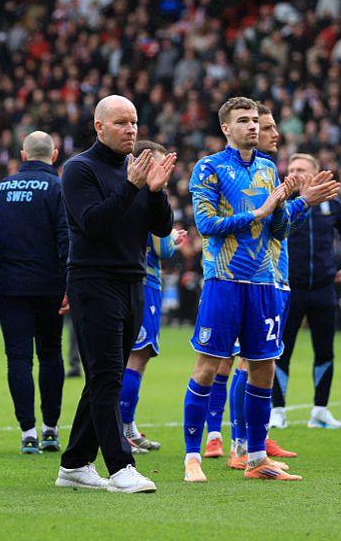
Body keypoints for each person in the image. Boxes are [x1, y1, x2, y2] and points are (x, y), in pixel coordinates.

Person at [181, 98, 338, 483]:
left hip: (266, 282)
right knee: (208, 365)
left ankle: (255, 458)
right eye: (243, 121)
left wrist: (296, 203)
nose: (253, 126)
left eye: (256, 120)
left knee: (264, 369)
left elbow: (279, 229)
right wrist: (259, 212)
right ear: (225, 128)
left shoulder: (269, 169)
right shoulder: (209, 168)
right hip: (226, 280)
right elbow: (206, 225)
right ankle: (192, 457)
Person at [55, 95, 174, 494]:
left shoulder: (135, 170)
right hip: (93, 282)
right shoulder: (78, 170)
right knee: (107, 377)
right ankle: (121, 466)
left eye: (134, 122)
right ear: (99, 127)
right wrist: (131, 186)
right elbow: (93, 224)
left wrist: (155, 192)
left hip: (132, 281)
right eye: (121, 123)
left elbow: (160, 228)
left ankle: (73, 463)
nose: (131, 130)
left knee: (106, 377)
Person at [0, 131, 69, 454]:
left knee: (18, 358)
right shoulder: (58, 187)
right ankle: (51, 428)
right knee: (51, 354)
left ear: (23, 155)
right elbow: (66, 237)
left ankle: (28, 432)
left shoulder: (1, 188)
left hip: (10, 284)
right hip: (49, 284)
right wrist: (68, 283)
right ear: (54, 155)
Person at [270, 153, 341, 429]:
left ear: (315, 173)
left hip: (323, 288)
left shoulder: (331, 205)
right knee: (281, 350)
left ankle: (320, 411)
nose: (295, 172)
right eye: (292, 168)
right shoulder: (281, 203)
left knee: (325, 351)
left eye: (302, 169)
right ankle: (277, 411)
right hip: (289, 287)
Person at [117, 140, 187, 454]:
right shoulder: (152, 196)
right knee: (138, 355)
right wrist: (173, 239)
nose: (164, 170)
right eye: (158, 163)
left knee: (127, 358)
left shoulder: (125, 191)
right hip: (146, 284)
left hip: (124, 280)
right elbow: (162, 250)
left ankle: (127, 426)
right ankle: (123, 429)